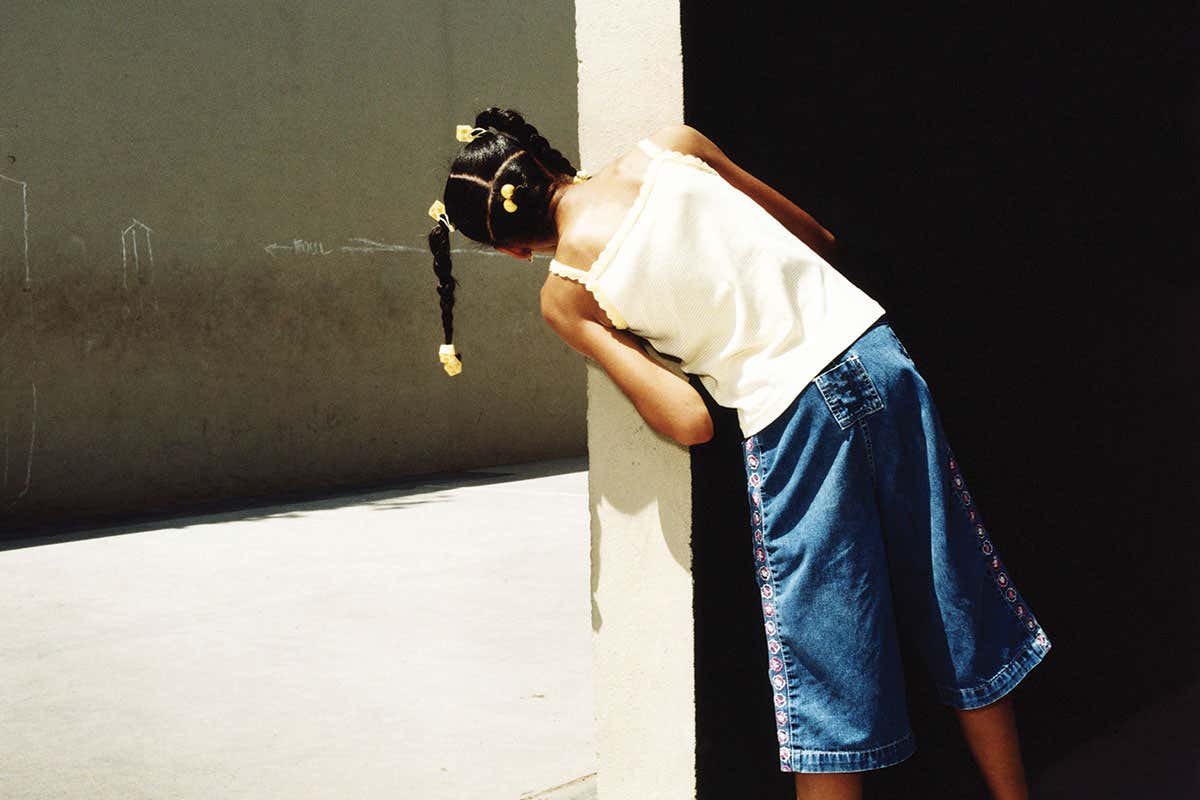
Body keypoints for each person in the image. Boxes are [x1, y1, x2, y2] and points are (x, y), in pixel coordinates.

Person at [425, 106, 1053, 800]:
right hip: (877, 357)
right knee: (950, 589)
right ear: (545, 158)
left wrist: (657, 339)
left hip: (792, 414)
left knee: (824, 664)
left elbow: (690, 420)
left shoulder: (568, 294)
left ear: (512, 249)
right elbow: (818, 239)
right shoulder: (672, 148)